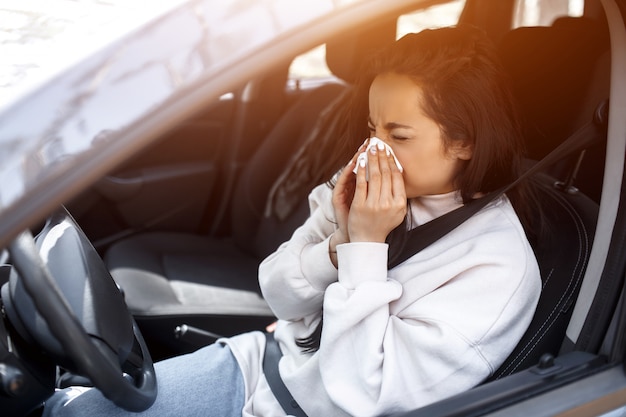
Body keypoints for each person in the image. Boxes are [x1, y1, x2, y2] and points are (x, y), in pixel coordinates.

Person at [44, 25, 541, 417]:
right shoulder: (366, 187)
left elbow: (357, 397)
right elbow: (276, 290)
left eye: (400, 135)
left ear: (465, 141)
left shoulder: (494, 268)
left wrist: (365, 250)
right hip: (259, 365)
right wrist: (337, 244)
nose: (372, 151)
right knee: (73, 410)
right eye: (372, 129)